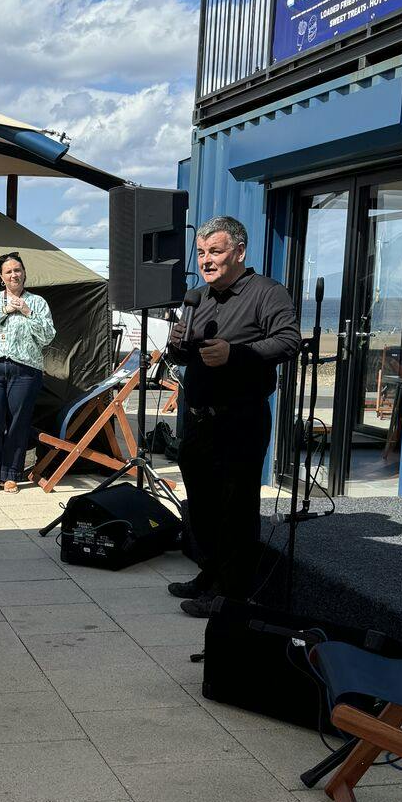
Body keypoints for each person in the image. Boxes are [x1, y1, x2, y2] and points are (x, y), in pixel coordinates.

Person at [165, 216, 300, 617]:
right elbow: (188, 356)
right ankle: (211, 574)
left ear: (239, 252)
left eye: (216, 252)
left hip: (240, 419)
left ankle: (232, 594)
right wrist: (178, 348)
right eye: (203, 253)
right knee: (202, 507)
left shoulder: (267, 293)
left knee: (235, 510)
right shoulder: (198, 297)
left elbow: (289, 341)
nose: (207, 260)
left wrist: (236, 354)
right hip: (198, 420)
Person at [0, 251, 56, 494]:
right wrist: (6, 310)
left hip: (25, 370)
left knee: (18, 423)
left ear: (24, 273)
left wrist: (27, 312)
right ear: (1, 277)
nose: (13, 274)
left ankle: (10, 475)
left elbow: (48, 336)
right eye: (8, 271)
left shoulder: (37, 303)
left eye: (17, 270)